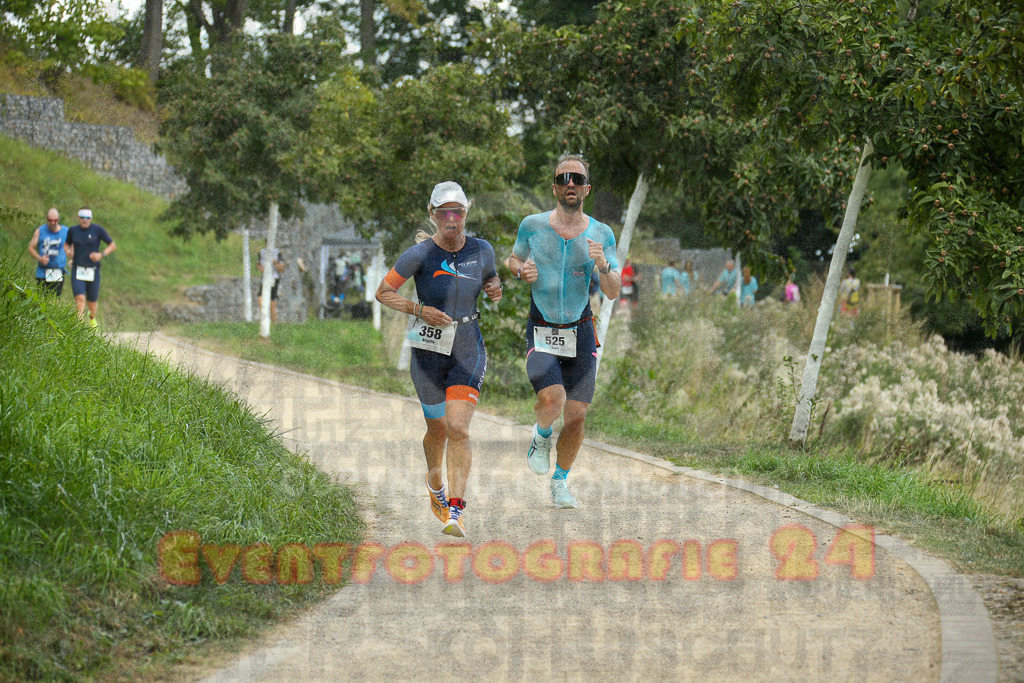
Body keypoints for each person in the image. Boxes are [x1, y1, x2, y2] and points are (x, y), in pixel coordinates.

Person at [375, 181, 502, 537]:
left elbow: (492, 282)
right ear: (432, 215)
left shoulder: (483, 249)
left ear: (466, 214)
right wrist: (420, 310)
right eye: (444, 212)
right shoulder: (418, 255)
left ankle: (456, 511)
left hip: (467, 347)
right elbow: (383, 291)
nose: (452, 219)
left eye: (458, 212)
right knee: (438, 428)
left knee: (459, 428)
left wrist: (496, 288)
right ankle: (436, 489)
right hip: (428, 352)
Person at [504, 154, 620, 509]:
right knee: (552, 399)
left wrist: (602, 266)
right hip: (541, 328)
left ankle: (560, 482)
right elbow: (513, 260)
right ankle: (541, 436)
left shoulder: (602, 233)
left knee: (578, 415)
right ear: (555, 187)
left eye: (577, 178)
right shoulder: (532, 225)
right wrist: (521, 271)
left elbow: (613, 289)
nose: (570, 183)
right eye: (563, 177)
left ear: (587, 188)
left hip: (581, 330)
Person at [65, 207, 116, 328]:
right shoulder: (73, 230)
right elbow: (66, 244)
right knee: (80, 298)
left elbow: (112, 245)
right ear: (78, 218)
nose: (85, 220)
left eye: (87, 218)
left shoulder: (97, 230)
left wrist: (101, 254)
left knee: (92, 303)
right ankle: (79, 326)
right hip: (78, 269)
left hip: (93, 271)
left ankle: (92, 318)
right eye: (82, 217)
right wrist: (68, 251)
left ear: (91, 218)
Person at [28, 207, 69, 296]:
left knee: (55, 300)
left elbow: (73, 246)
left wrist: (71, 255)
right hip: (42, 271)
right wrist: (40, 258)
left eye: (55, 220)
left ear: (58, 220)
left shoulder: (65, 231)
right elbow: (31, 248)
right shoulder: (40, 231)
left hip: (58, 271)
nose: (53, 222)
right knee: (41, 298)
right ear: (47, 219)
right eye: (50, 220)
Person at [257, 244, 285, 323]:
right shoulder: (262, 252)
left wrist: (275, 262)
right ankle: (264, 320)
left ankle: (274, 323)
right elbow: (259, 265)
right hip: (265, 279)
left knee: (272, 303)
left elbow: (281, 269)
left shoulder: (277, 252)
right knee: (260, 299)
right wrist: (263, 268)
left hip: (274, 279)